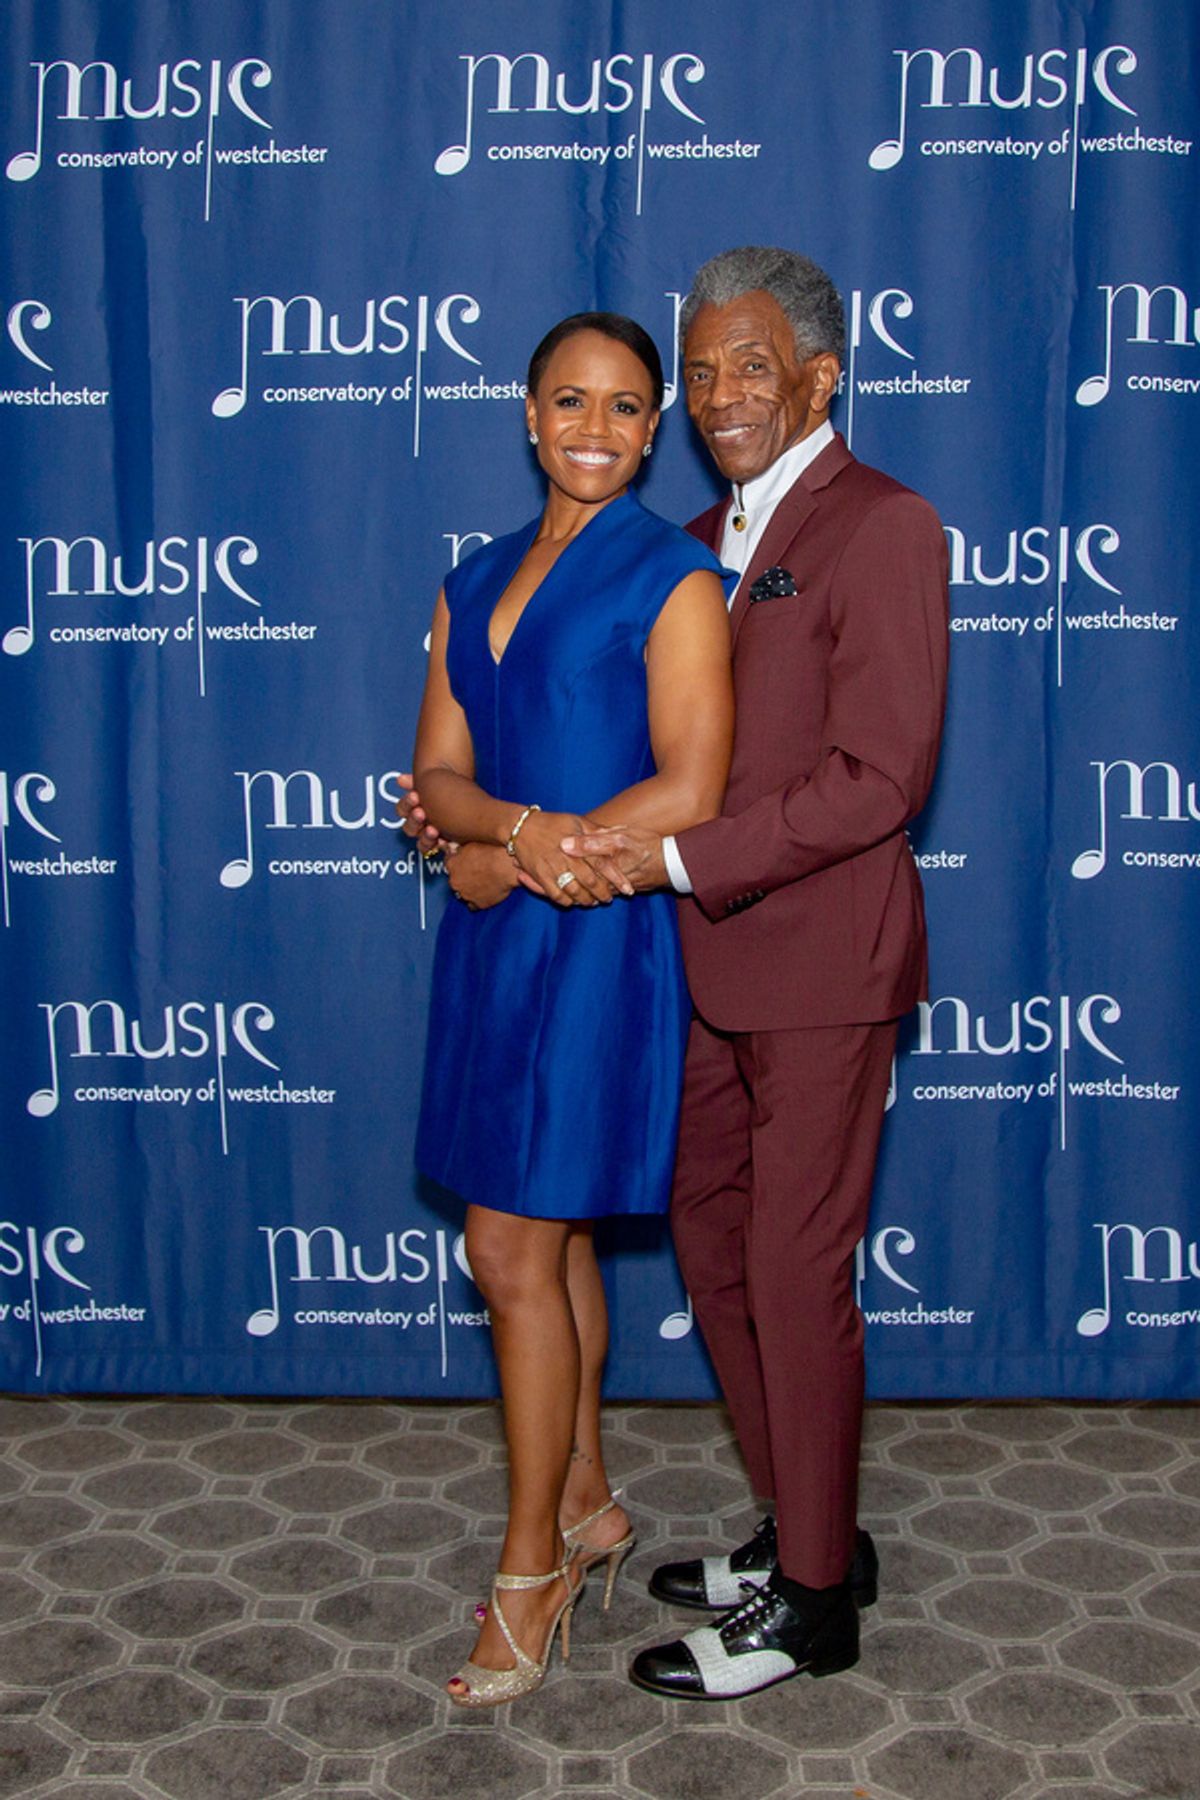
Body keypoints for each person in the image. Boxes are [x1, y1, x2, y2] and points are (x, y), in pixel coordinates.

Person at [560, 247, 950, 1700]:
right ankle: (807, 1527)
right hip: (708, 970)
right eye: (703, 368)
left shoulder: (885, 526)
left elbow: (877, 780)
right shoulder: (702, 532)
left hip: (822, 967)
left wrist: (668, 861)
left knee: (792, 1270)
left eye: (749, 364)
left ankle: (817, 1609)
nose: (721, 394)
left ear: (821, 376)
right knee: (714, 1253)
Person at [410, 311, 735, 1706]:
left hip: (600, 945)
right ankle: (593, 1498)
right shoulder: (469, 578)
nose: (594, 427)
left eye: (623, 406)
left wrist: (523, 851)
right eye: (568, 402)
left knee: (509, 1247)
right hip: (497, 939)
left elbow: (691, 791)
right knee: (548, 1243)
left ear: (653, 426)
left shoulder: (677, 579)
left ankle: (531, 1568)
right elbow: (436, 776)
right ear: (527, 413)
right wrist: (493, 844)